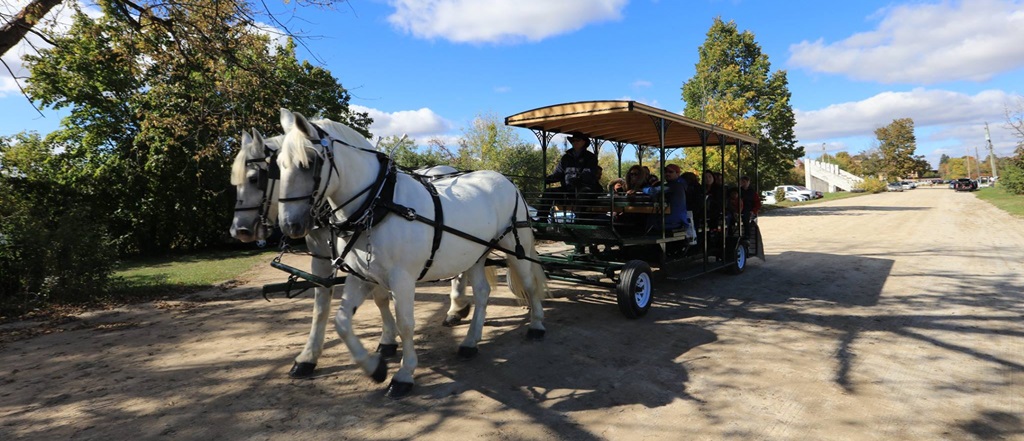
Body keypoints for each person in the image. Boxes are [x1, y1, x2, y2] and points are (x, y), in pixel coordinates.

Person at [537, 131, 601, 219]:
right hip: (568, 189)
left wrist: (578, 180)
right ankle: (541, 220)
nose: (574, 142)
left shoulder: (591, 157)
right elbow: (558, 173)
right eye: (573, 141)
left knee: (583, 193)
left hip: (585, 188)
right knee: (548, 192)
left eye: (577, 140)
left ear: (584, 142)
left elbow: (589, 173)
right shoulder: (566, 158)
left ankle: (579, 221)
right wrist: (550, 179)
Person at [643, 164, 691, 234]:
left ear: (678, 173)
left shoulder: (675, 185)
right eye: (665, 172)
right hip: (679, 220)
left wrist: (642, 189)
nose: (667, 174)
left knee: (647, 223)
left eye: (670, 172)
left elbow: (653, 191)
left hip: (672, 221)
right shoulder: (679, 184)